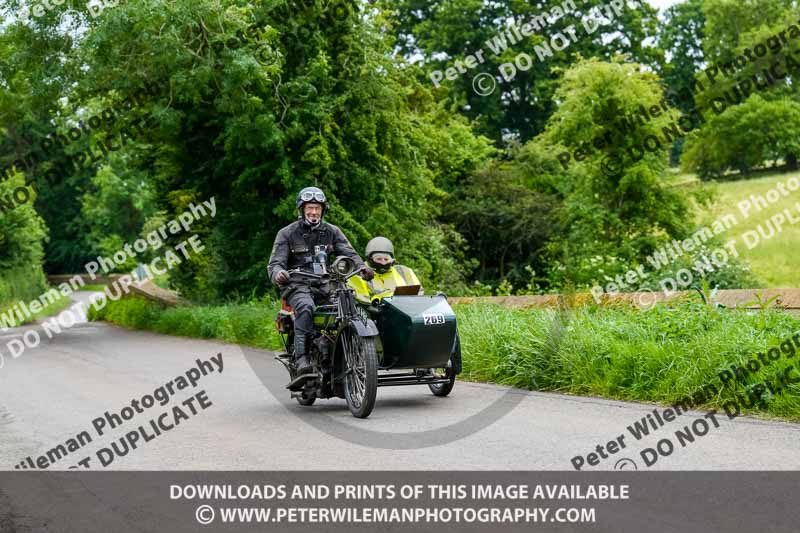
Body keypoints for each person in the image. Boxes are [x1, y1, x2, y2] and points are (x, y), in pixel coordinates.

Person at [268, 187, 374, 374]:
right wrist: (279, 273)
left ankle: (351, 350)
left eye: (317, 208)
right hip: (297, 284)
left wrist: (363, 268)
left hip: (326, 283)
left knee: (349, 305)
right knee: (306, 306)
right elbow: (275, 264)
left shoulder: (332, 231)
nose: (314, 212)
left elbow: (349, 253)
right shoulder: (287, 233)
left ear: (323, 210)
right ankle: (302, 358)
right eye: (310, 208)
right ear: (302, 209)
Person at [348, 236, 422, 305]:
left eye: (386, 259)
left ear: (392, 259)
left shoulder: (404, 271)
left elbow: (419, 293)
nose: (383, 262)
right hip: (375, 316)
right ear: (369, 259)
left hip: (406, 311)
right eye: (379, 259)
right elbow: (363, 302)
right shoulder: (360, 273)